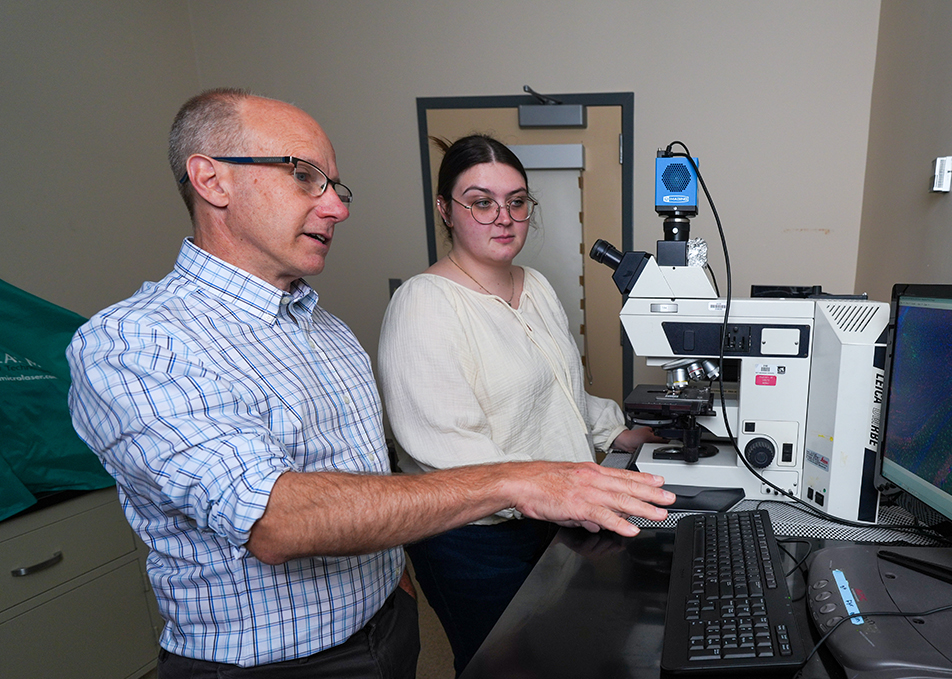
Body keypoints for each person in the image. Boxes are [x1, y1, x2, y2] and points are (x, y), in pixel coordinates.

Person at [65, 89, 674, 679]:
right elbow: (275, 519)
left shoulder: (325, 328)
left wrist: (396, 579)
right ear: (211, 180)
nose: (337, 207)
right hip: (274, 662)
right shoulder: (138, 341)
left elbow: (375, 473)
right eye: (304, 175)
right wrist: (527, 479)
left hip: (386, 627)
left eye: (335, 185)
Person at [377, 134, 665, 674]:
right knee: (504, 665)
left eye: (516, 201)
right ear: (445, 209)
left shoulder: (534, 285)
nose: (503, 217)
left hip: (554, 516)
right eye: (481, 202)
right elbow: (445, 450)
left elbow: (562, 394)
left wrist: (618, 432)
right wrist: (548, 493)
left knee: (557, 653)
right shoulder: (424, 304)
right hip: (476, 541)